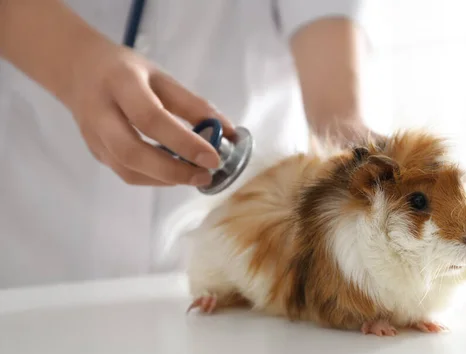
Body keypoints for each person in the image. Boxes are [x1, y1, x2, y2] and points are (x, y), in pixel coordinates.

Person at [0, 0, 380, 289]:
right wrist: (77, 63)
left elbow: (326, 23)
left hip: (233, 274)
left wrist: (346, 130)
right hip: (35, 252)